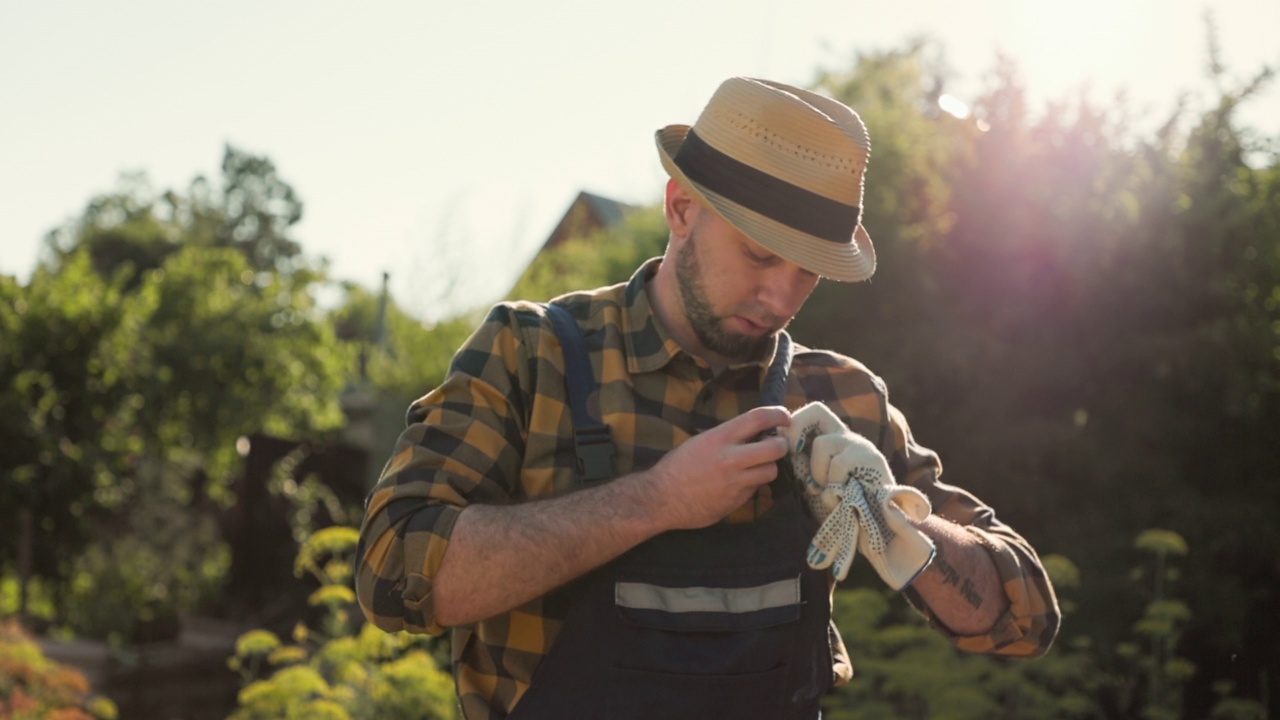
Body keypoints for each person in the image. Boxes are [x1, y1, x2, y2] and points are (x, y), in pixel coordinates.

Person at [355, 76, 1060, 720]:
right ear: (682, 207)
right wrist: (656, 501)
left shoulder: (837, 397)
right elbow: (392, 575)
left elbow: (1021, 620)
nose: (782, 296)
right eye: (760, 255)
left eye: (808, 272)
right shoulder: (530, 354)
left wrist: (894, 523)